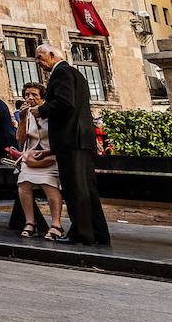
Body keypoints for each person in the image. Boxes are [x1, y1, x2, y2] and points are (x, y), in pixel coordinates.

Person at [35, 43, 110, 245]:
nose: (39, 63)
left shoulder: (62, 74)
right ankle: (98, 233)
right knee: (86, 189)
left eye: (40, 58)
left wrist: (41, 110)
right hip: (79, 139)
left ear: (52, 55)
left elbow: (64, 103)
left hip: (71, 139)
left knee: (76, 189)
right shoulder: (74, 73)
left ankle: (82, 233)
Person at [15, 81, 64, 240]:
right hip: (32, 157)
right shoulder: (26, 114)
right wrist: (22, 119)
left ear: (42, 97)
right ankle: (30, 222)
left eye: (34, 95)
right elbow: (21, 140)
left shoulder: (50, 111)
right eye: (27, 94)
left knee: (49, 185)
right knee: (23, 184)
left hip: (50, 156)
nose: (30, 98)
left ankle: (56, 224)